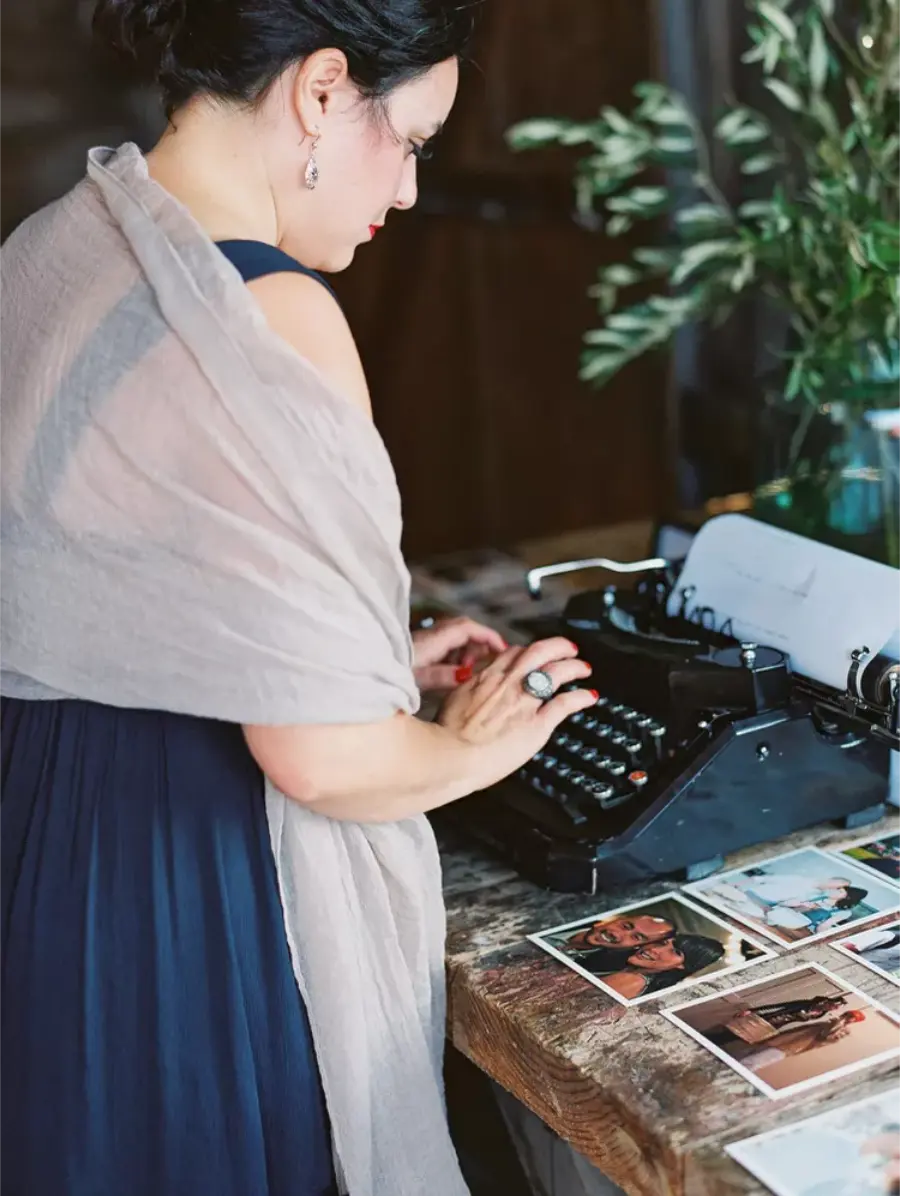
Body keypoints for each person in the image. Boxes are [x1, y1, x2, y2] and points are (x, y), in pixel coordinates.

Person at [0, 3, 602, 1195]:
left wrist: (362, 650)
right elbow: (323, 760)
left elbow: (121, 571)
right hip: (181, 886)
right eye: (416, 140)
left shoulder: (54, 241)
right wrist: (474, 740)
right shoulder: (270, 311)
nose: (415, 190)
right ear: (324, 91)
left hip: (45, 833)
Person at [592, 934, 726, 1000]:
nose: (655, 949)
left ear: (682, 966)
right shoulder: (629, 971)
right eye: (663, 943)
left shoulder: (633, 980)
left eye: (675, 952)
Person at [729, 1011, 866, 1074]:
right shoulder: (825, 1022)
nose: (846, 1017)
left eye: (850, 1017)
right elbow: (798, 1029)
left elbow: (826, 1036)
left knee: (751, 1062)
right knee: (739, 1056)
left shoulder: (842, 1031)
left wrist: (840, 1023)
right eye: (847, 1015)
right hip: (778, 1040)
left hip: (787, 1048)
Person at [705, 994, 848, 1048]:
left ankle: (713, 1045)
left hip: (777, 1025)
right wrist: (752, 1011)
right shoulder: (805, 1003)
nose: (834, 1009)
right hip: (767, 1019)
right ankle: (708, 1039)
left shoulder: (821, 1014)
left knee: (740, 1038)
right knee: (731, 1031)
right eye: (834, 1005)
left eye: (836, 1008)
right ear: (829, 1001)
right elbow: (779, 1006)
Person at [561, 912, 677, 955]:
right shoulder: (564, 918)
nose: (616, 934)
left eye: (636, 937)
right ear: (614, 918)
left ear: (636, 947)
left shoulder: (596, 967)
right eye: (625, 926)